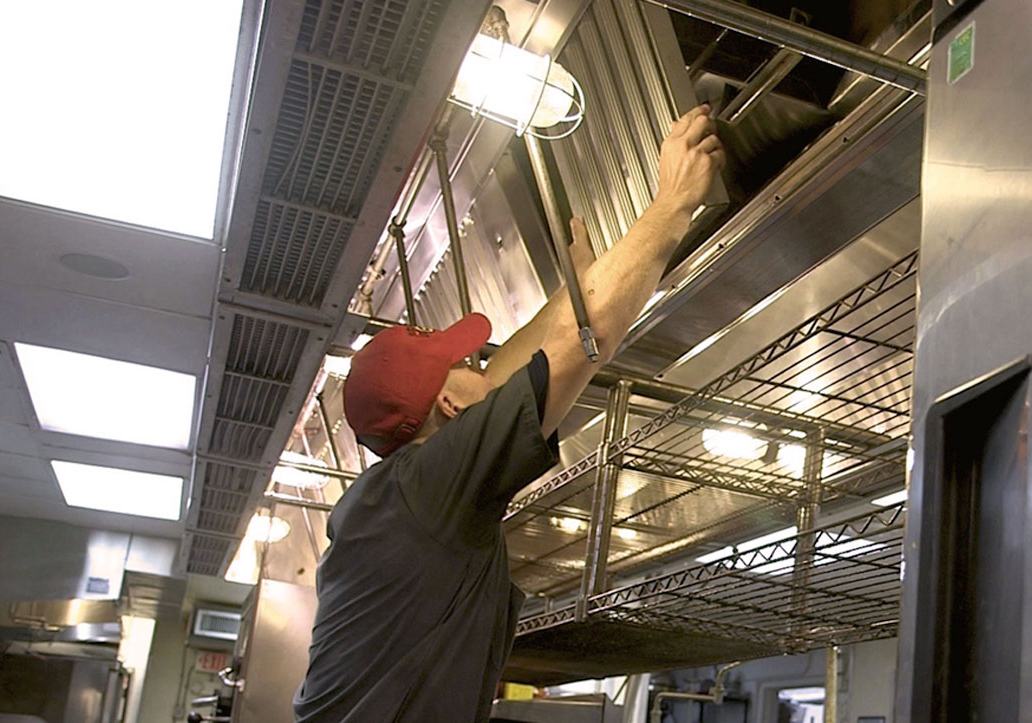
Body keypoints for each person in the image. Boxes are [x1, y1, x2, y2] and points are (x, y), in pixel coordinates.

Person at [294, 104, 724, 722]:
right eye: (462, 366)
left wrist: (570, 288)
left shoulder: (401, 496)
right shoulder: (428, 488)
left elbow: (500, 380)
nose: (482, 371)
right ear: (446, 404)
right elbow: (581, 344)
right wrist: (673, 203)